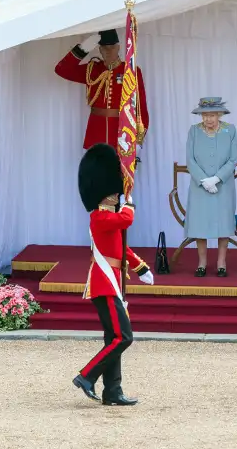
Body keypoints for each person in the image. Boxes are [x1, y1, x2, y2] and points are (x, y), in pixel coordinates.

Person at [72, 143, 154, 406]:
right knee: (124, 337)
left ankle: (113, 391)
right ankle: (86, 375)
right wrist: (130, 202)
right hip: (104, 283)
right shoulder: (99, 217)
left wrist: (142, 268)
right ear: (103, 194)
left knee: (113, 338)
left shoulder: (110, 217)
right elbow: (126, 220)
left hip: (112, 281)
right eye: (114, 192)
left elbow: (122, 247)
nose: (117, 195)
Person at [54, 29, 149, 150]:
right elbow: (62, 70)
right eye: (104, 48)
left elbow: (141, 108)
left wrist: (138, 140)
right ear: (99, 50)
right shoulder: (92, 70)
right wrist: (82, 49)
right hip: (96, 131)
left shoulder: (130, 71)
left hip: (122, 132)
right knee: (96, 167)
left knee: (118, 168)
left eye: (112, 47)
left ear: (118, 47)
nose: (108, 51)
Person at [184, 97, 237, 277]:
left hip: (223, 186)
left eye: (212, 115)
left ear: (219, 114)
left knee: (223, 223)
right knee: (201, 224)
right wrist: (204, 181)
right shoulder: (194, 131)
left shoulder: (230, 130)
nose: (208, 119)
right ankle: (202, 263)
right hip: (199, 187)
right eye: (205, 115)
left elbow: (232, 160)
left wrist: (216, 179)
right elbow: (190, 160)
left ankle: (221, 263)